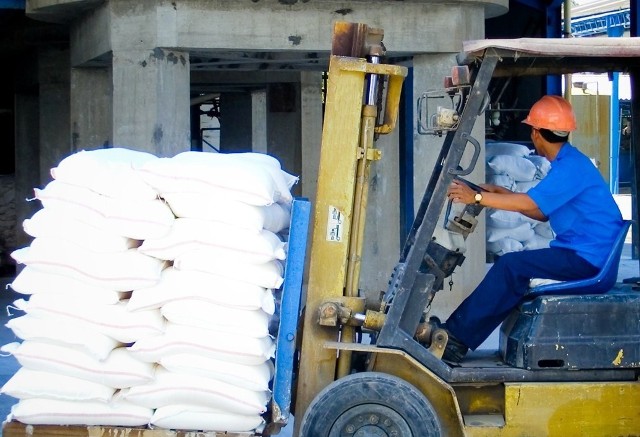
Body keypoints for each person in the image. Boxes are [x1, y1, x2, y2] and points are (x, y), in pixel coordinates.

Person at [440, 94, 624, 364]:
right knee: (514, 267)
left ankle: (455, 339)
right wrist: (499, 192)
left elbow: (528, 203)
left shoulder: (570, 168)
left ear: (536, 133)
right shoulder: (568, 163)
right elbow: (539, 211)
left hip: (588, 259)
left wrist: (476, 198)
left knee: (511, 266)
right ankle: (459, 332)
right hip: (584, 253)